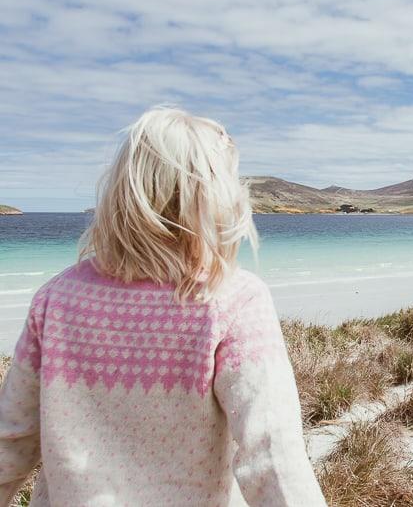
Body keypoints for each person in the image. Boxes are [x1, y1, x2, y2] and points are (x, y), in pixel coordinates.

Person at [0, 107, 326, 506]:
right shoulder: (233, 300)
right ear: (216, 200)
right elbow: (272, 457)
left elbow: (11, 439)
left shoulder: (56, 300)